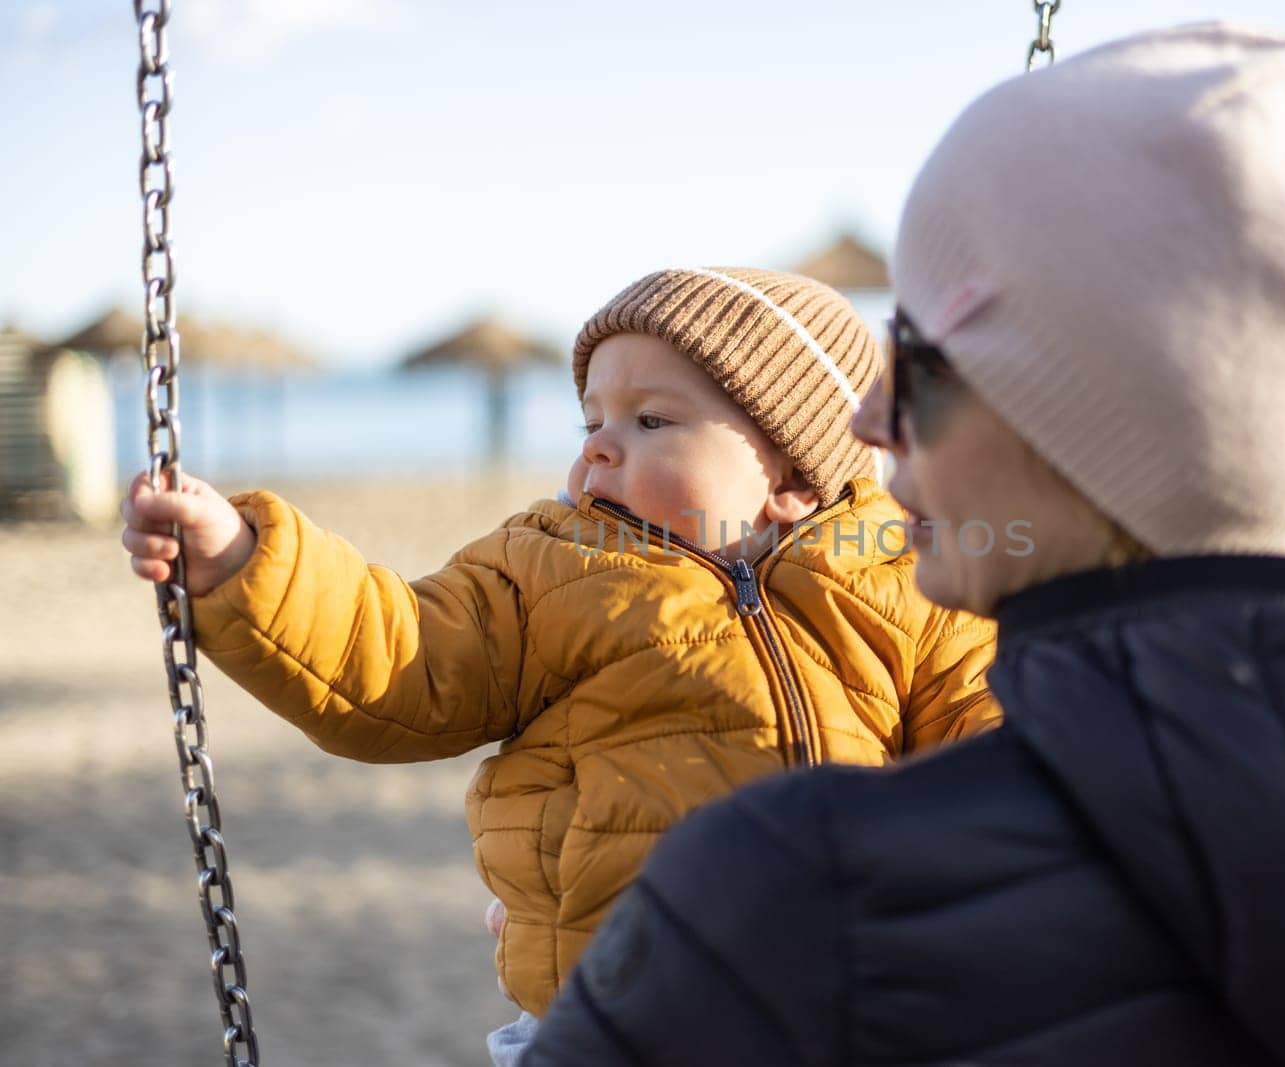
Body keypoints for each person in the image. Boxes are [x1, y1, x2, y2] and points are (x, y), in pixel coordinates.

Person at [520, 23, 1285, 1067]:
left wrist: (635, 978)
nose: (867, 414)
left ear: (1100, 412)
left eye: (925, 358)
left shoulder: (788, 884)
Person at [119, 268, 1001, 1059]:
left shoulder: (903, 576)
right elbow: (402, 655)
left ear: (793, 474)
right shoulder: (551, 566)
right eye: (592, 421)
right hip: (615, 1007)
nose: (599, 447)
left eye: (651, 420)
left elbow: (990, 731)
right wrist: (242, 562)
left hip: (851, 1001)